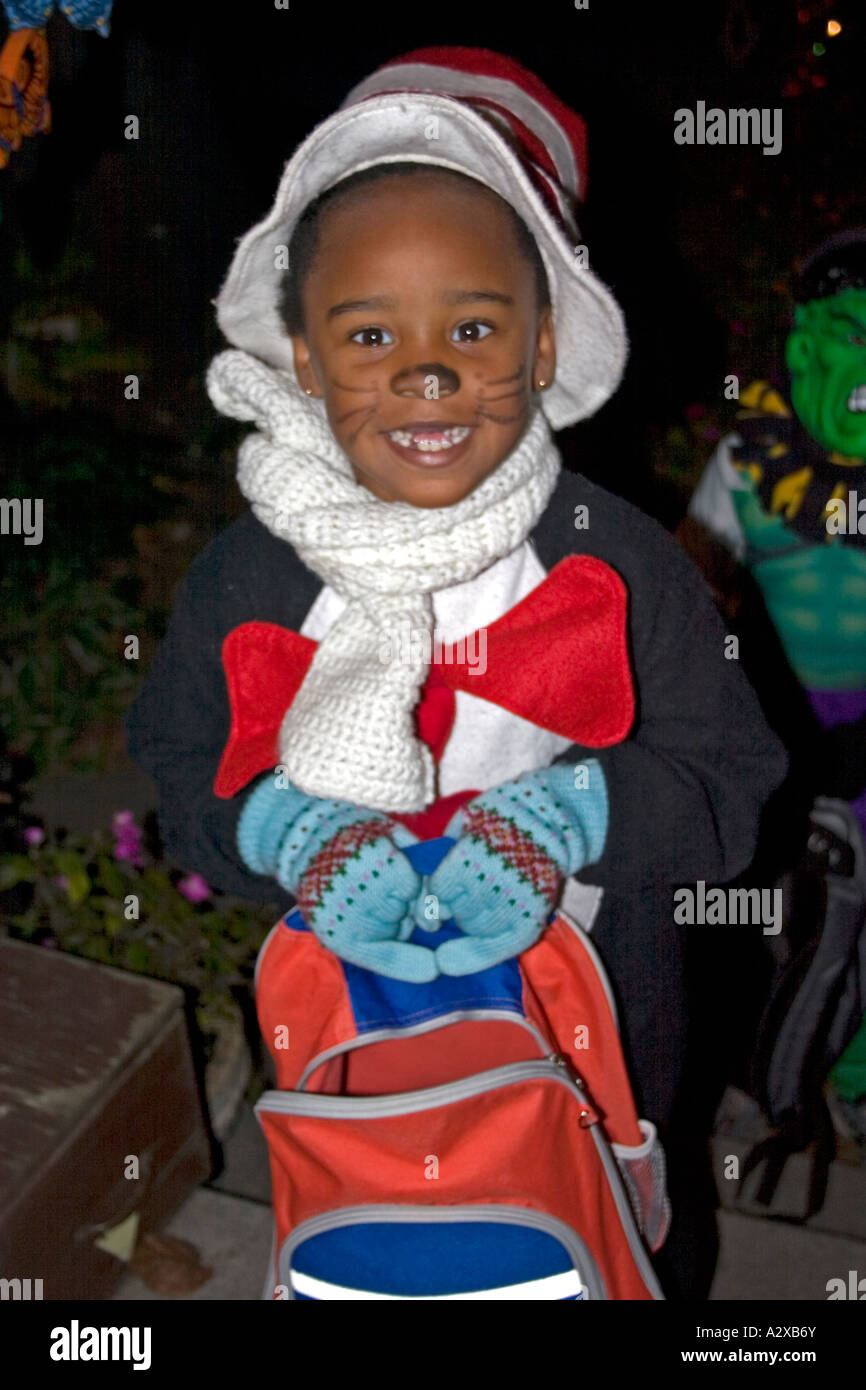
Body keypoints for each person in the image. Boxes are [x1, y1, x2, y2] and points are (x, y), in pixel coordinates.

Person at [124, 46, 787, 1290]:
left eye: (471, 327)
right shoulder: (245, 573)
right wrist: (285, 830)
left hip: (597, 1022)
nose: (424, 374)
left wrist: (576, 807)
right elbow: (177, 764)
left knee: (618, 1232)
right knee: (386, 1240)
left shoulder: (618, 558)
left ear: (542, 348)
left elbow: (732, 780)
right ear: (305, 363)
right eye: (368, 332)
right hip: (352, 1037)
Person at [684, 230, 866, 1146]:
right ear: (803, 347)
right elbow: (690, 596)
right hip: (784, 737)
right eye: (852, 336)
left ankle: (855, 1077)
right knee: (772, 920)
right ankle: (758, 1071)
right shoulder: (751, 468)